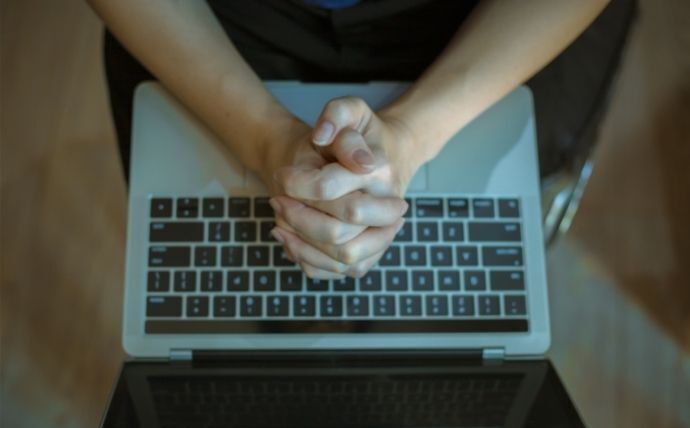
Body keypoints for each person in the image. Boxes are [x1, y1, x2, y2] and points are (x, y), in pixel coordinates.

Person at [88, 0, 611, 280]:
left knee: (485, 243)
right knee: (237, 266)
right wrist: (265, 138)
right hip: (216, 23)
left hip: (485, 25)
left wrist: (411, 135)